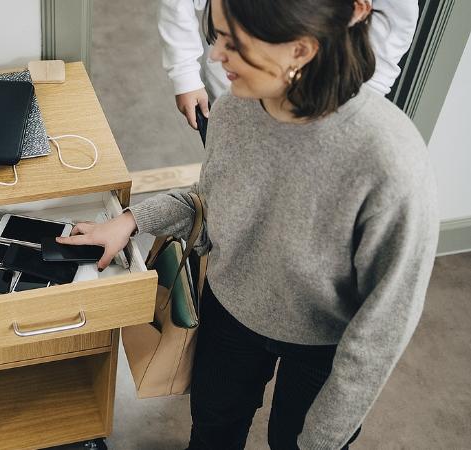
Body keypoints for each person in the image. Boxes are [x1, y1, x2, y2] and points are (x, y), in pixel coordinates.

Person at [59, 0, 439, 448]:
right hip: (230, 311)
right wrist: (129, 221)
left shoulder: (390, 160)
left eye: (235, 44)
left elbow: (383, 328)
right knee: (213, 429)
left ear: (301, 48)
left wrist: (322, 441)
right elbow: (212, 200)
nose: (216, 56)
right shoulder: (235, 111)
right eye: (216, 37)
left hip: (323, 344)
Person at [159, 0, 419, 130]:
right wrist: (184, 72)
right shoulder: (232, 101)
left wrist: (366, 96)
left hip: (328, 79)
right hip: (240, 73)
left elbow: (396, 24)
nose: (216, 54)